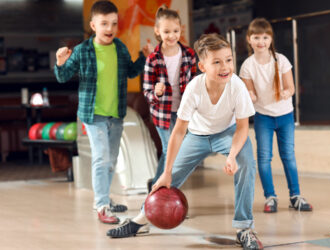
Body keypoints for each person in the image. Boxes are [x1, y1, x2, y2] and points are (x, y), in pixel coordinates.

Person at [107, 33, 263, 250]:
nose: (225, 66)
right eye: (216, 62)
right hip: (196, 136)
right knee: (166, 179)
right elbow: (179, 131)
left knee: (246, 163)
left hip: (228, 134)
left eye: (228, 60)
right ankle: (141, 221)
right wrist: (168, 170)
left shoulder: (237, 87)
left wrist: (232, 155)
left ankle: (244, 228)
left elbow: (243, 127)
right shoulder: (194, 88)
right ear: (202, 66)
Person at [54, 0, 153, 224]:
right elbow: (62, 77)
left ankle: (104, 198)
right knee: (101, 157)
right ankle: (102, 205)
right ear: (93, 25)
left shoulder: (119, 47)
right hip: (92, 114)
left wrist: (143, 57)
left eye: (114, 23)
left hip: (115, 114)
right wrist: (60, 63)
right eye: (104, 23)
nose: (110, 28)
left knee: (111, 159)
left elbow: (130, 72)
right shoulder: (82, 50)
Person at [239, 18, 312, 213]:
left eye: (265, 37)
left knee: (288, 155)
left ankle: (295, 196)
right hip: (263, 117)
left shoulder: (281, 60)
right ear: (249, 39)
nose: (261, 41)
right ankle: (270, 197)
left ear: (270, 39)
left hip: (285, 116)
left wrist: (287, 93)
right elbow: (250, 93)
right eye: (256, 37)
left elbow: (292, 87)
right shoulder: (247, 66)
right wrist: (251, 96)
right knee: (264, 158)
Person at [143, 6, 196, 190]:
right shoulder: (153, 59)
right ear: (157, 31)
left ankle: (157, 186)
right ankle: (163, 192)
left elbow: (197, 83)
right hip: (162, 114)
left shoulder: (189, 55)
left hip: (184, 113)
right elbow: (147, 93)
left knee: (177, 153)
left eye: (175, 31)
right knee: (170, 151)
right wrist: (157, 93)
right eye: (166, 31)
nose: (172, 35)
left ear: (181, 29)